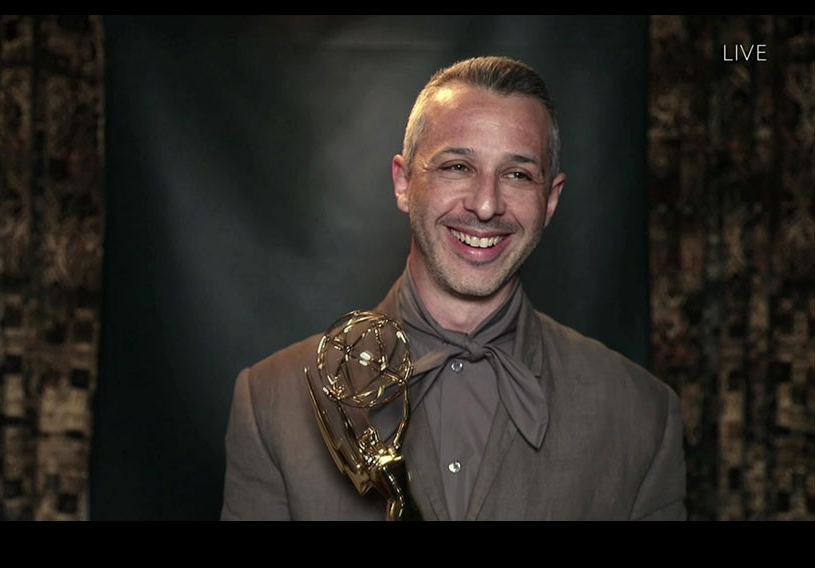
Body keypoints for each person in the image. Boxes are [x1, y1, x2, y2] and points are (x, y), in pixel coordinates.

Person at [221, 56, 687, 520]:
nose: (486, 205)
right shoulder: (271, 403)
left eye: (518, 174)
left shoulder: (642, 416)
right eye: (457, 167)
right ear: (403, 184)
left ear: (550, 200)